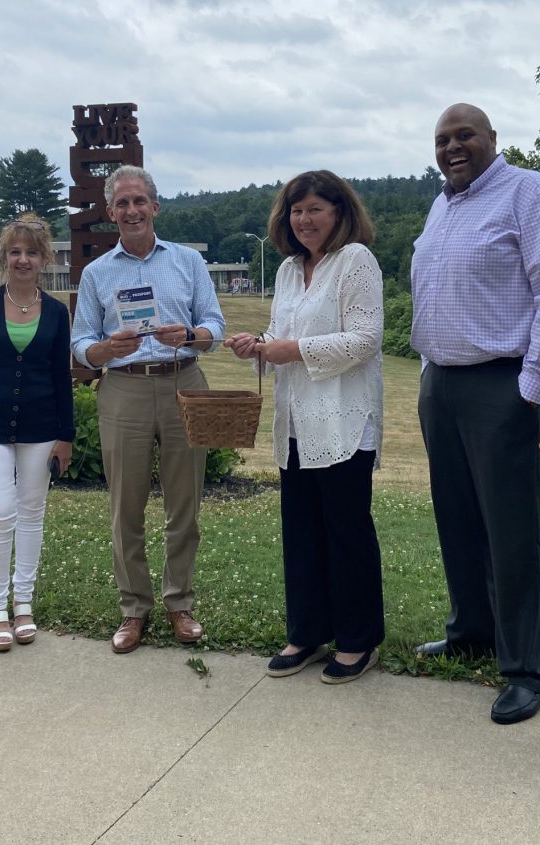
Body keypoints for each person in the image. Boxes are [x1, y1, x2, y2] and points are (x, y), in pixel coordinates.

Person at [410, 104, 540, 723]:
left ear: (492, 139)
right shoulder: (441, 206)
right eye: (442, 140)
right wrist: (430, 372)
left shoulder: (529, 193)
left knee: (510, 530)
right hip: (443, 384)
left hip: (502, 385)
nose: (453, 148)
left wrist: (529, 389)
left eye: (465, 136)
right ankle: (471, 634)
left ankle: (524, 667)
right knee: (457, 518)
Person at [226, 170, 385, 684]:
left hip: (343, 420)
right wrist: (260, 343)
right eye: (297, 210)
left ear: (340, 212)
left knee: (346, 532)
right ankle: (309, 630)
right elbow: (283, 333)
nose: (304, 219)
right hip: (296, 422)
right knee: (301, 532)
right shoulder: (291, 270)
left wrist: (291, 350)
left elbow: (365, 340)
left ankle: (358, 640)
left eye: (315, 208)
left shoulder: (355, 261)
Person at [71, 165, 225, 654]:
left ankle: (179, 602)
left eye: (140, 201)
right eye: (122, 203)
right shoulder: (97, 273)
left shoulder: (187, 262)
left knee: (185, 503)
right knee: (125, 508)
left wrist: (191, 336)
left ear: (155, 207)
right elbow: (80, 343)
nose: (132, 210)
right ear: (111, 212)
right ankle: (133, 609)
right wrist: (103, 352)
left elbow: (214, 326)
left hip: (183, 379)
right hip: (124, 389)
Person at [0, 214, 75, 652]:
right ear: (3, 257)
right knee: (1, 512)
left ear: (44, 258)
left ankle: (23, 604)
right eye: (14, 252)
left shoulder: (58, 311)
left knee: (30, 513)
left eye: (30, 252)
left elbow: (61, 377)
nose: (22, 259)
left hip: (42, 427)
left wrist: (66, 434)